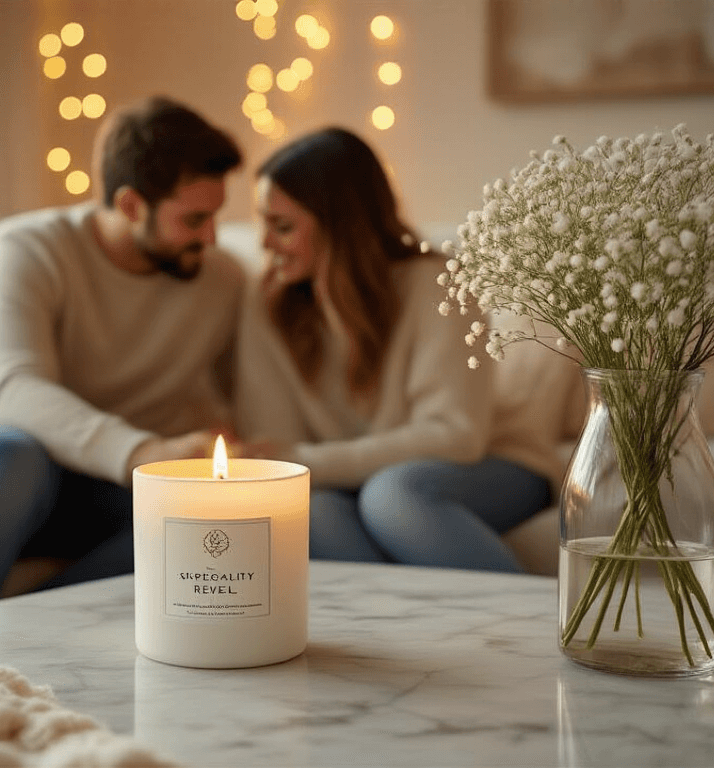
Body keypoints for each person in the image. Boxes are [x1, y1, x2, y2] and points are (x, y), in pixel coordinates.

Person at [0, 96, 246, 621]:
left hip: (89, 477)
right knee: (16, 455)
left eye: (216, 216)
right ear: (131, 205)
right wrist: (144, 452)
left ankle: (23, 635)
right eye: (195, 219)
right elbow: (14, 392)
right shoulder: (30, 247)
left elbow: (238, 395)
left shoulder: (223, 279)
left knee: (192, 520)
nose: (212, 236)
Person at [234, 127, 558, 572]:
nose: (264, 244)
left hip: (489, 465)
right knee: (309, 510)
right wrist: (303, 462)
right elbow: (278, 454)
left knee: (393, 496)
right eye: (262, 222)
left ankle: (528, 627)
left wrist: (308, 460)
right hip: (355, 482)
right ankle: (409, 635)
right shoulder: (265, 303)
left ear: (342, 227)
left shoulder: (437, 282)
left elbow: (455, 435)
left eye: (283, 226)